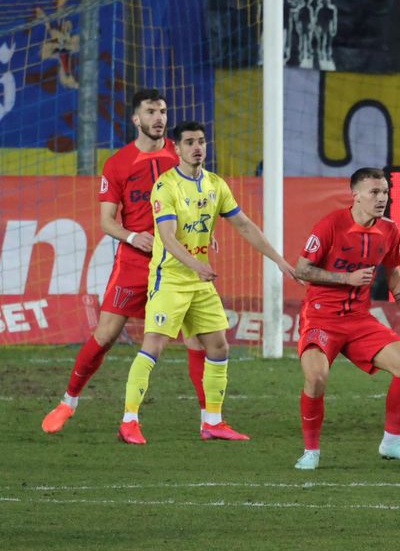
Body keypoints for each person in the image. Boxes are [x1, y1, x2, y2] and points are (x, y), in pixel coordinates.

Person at [42, 90, 211, 435]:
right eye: (151, 112)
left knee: (198, 340)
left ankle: (210, 420)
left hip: (178, 262)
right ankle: (68, 401)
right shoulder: (118, 164)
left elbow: (199, 200)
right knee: (105, 334)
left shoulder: (182, 158)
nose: (159, 117)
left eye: (163, 111)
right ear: (136, 119)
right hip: (134, 261)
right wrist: (133, 237)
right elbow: (107, 221)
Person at [117, 121, 294, 444]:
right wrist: (196, 264)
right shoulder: (166, 186)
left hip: (199, 281)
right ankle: (129, 420)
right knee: (153, 347)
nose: (197, 147)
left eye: (201, 142)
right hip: (170, 278)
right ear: (177, 148)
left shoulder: (215, 184)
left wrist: (279, 260)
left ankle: (212, 422)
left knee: (218, 346)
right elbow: (167, 238)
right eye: (189, 142)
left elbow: (244, 225)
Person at [292, 168, 400, 470]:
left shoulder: (390, 230)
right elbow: (302, 269)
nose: (381, 199)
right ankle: (311, 451)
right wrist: (346, 278)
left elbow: (393, 271)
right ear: (355, 195)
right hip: (321, 317)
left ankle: (392, 441)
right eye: (374, 193)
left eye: (384, 192)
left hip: (358, 319)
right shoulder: (331, 224)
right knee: (316, 378)